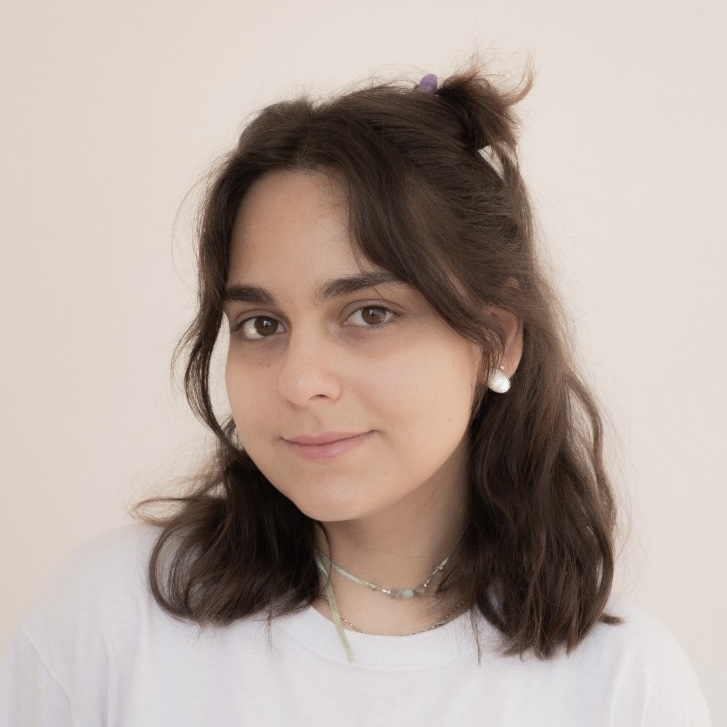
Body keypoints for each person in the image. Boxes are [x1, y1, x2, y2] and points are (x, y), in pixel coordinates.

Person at [0, 66, 712, 725]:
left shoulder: (622, 687)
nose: (299, 380)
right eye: (261, 324)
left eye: (369, 314)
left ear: (496, 339)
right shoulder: (112, 620)